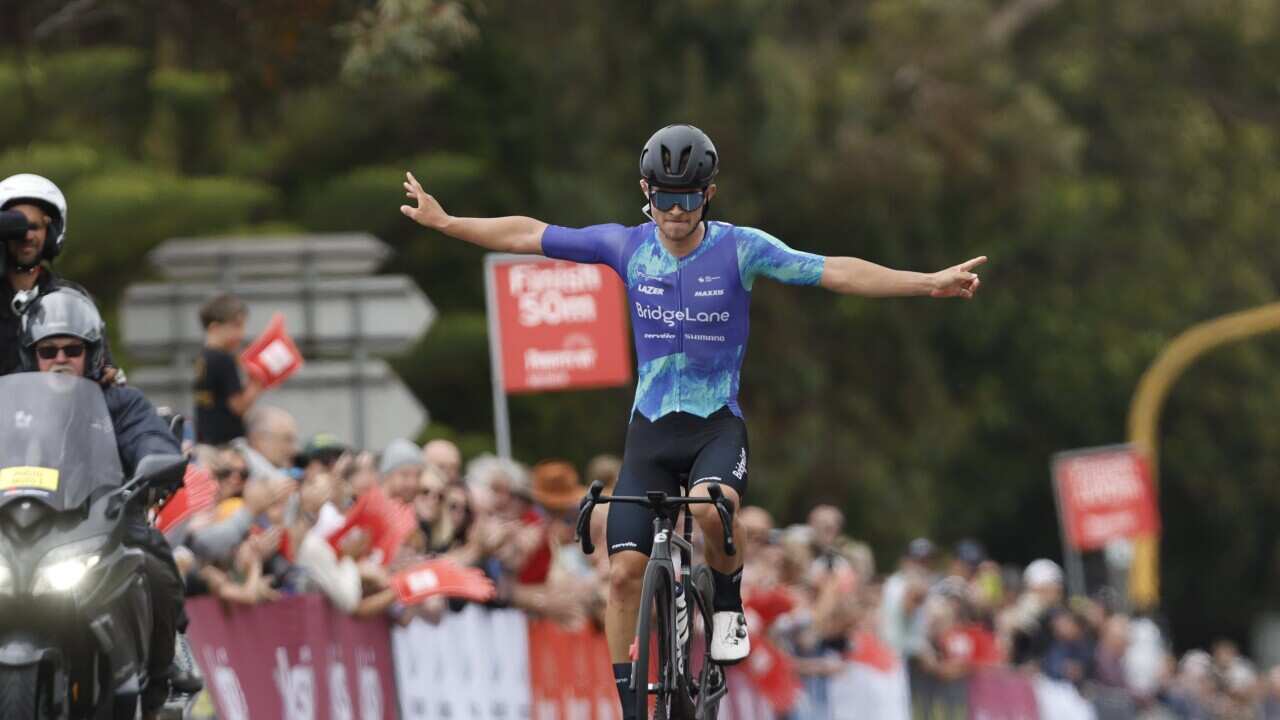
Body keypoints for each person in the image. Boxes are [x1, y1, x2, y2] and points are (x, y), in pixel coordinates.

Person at [401, 123, 985, 717]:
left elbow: (833, 270)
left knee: (710, 508)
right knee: (623, 573)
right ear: (644, 192)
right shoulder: (627, 246)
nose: (674, 213)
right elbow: (530, 233)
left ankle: (726, 596)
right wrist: (449, 223)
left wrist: (926, 282)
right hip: (651, 429)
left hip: (714, 425)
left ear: (708, 195)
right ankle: (632, 707)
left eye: (687, 199)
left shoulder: (741, 248)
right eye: (663, 199)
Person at [18, 288, 189, 718]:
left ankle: (163, 669)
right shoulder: (14, 408)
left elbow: (150, 436)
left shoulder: (119, 403)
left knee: (154, 566)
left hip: (106, 520)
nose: (59, 358)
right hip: (24, 529)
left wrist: (155, 458)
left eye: (72, 349)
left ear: (92, 353)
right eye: (47, 349)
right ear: (31, 355)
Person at [0, 173, 118, 380]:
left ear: (51, 232)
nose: (26, 236)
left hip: (61, 409)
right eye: (16, 230)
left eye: (34, 227)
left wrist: (107, 372)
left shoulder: (73, 300)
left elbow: (101, 363)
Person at [193, 293, 262, 445]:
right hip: (227, 443)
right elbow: (238, 406)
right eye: (237, 326)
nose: (242, 334)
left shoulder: (203, 356)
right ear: (215, 328)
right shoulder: (224, 359)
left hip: (206, 439)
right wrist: (257, 384)